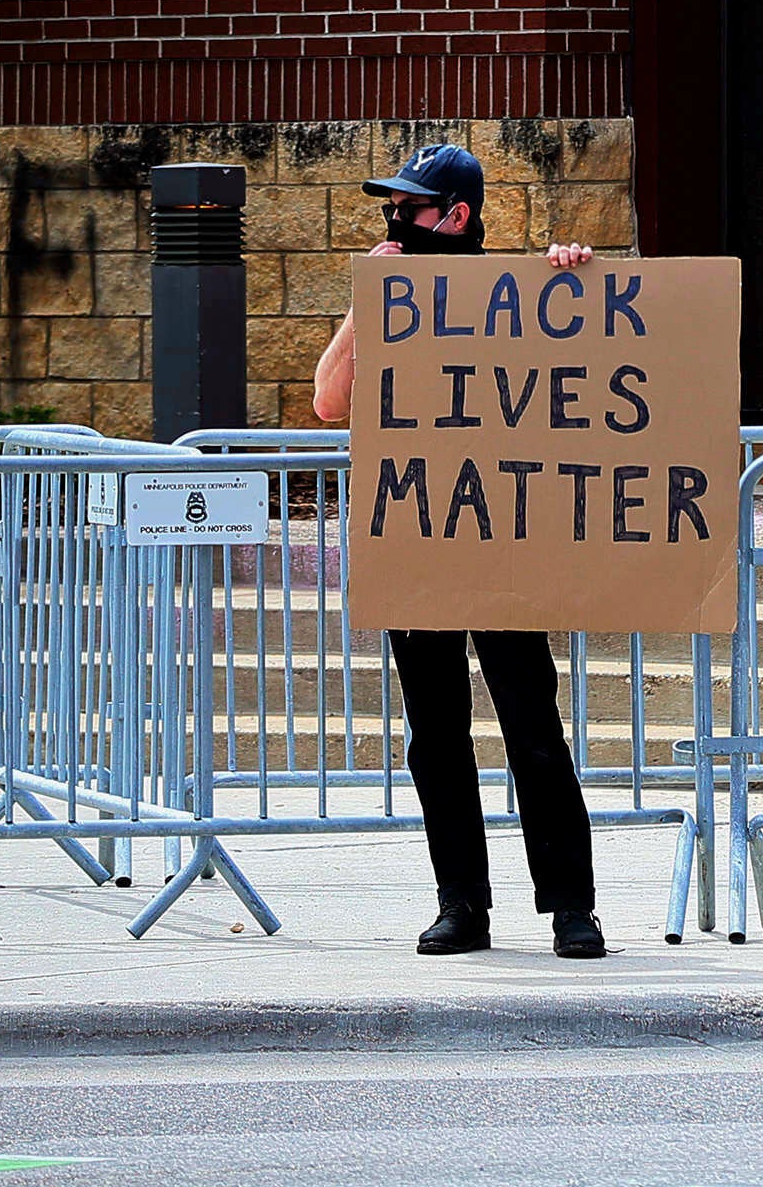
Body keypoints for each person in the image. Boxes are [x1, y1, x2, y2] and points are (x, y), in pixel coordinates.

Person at [311, 141, 608, 960]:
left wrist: (574, 274)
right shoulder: (390, 297)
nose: (394, 221)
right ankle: (461, 905)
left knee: (530, 725)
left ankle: (571, 907)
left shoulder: (521, 292)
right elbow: (329, 400)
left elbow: (593, 356)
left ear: (456, 218)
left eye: (408, 209)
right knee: (435, 733)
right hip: (416, 542)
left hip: (501, 545)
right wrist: (369, 303)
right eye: (392, 208)